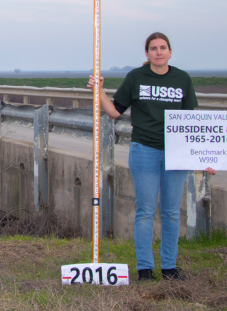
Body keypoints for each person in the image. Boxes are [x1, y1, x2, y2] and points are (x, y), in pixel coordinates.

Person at [88, 32, 215, 282]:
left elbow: (192, 122)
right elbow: (114, 112)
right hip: (144, 150)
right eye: (153, 48)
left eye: (163, 48)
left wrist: (204, 157)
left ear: (170, 52)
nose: (158, 52)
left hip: (176, 153)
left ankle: (169, 267)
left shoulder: (182, 79)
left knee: (170, 212)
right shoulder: (136, 77)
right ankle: (144, 268)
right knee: (145, 211)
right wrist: (100, 92)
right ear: (146, 53)